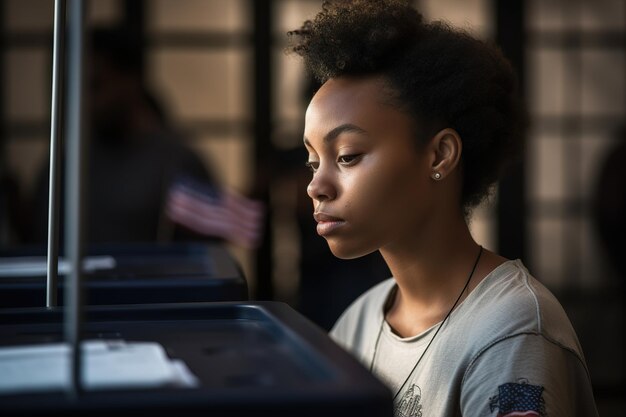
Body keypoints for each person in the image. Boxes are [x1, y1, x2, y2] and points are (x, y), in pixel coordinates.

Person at [288, 1, 598, 416]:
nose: (316, 186)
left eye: (347, 156)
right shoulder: (361, 319)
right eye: (313, 161)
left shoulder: (513, 332)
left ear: (439, 156)